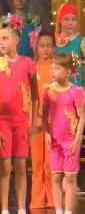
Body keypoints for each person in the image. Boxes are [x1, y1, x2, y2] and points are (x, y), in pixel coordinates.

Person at [0, 22, 37, 214]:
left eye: (5, 38)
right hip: (2, 122)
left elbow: (35, 94)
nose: (1, 42)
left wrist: (34, 119)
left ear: (16, 39)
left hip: (21, 120)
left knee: (21, 165)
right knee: (4, 167)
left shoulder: (27, 63)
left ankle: (22, 208)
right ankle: (5, 209)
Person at [42, 53, 85, 214]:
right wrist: (47, 134)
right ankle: (59, 210)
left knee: (70, 178)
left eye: (57, 68)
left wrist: (77, 140)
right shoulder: (48, 90)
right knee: (55, 176)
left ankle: (68, 211)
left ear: (68, 72)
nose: (53, 71)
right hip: (55, 140)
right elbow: (44, 115)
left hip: (70, 140)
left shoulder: (75, 91)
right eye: (52, 68)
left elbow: (82, 117)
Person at [30, 31, 56, 209]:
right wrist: (33, 118)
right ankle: (37, 199)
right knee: (37, 161)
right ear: (36, 47)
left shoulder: (57, 67)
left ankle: (53, 198)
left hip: (53, 120)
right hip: (36, 121)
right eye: (42, 45)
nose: (45, 49)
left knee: (50, 162)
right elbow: (29, 96)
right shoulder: (32, 68)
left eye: (49, 45)